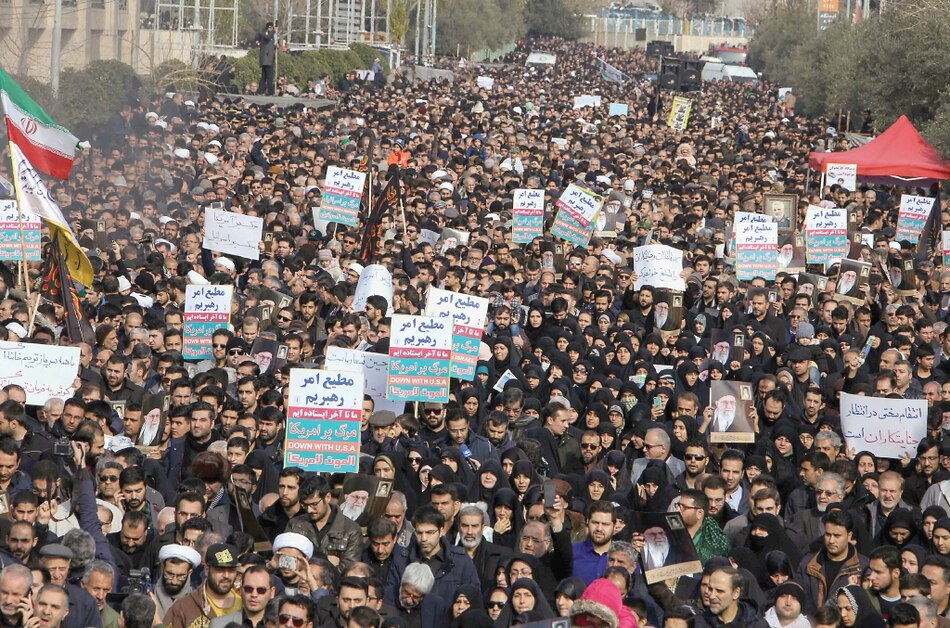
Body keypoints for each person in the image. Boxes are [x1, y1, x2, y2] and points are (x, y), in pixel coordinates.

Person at [257, 22, 276, 96]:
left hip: (269, 59)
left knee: (264, 76)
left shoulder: (270, 35)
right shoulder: (265, 34)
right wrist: (273, 31)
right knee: (269, 77)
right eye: (270, 28)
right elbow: (267, 38)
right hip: (266, 59)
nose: (271, 29)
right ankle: (270, 92)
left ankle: (261, 91)